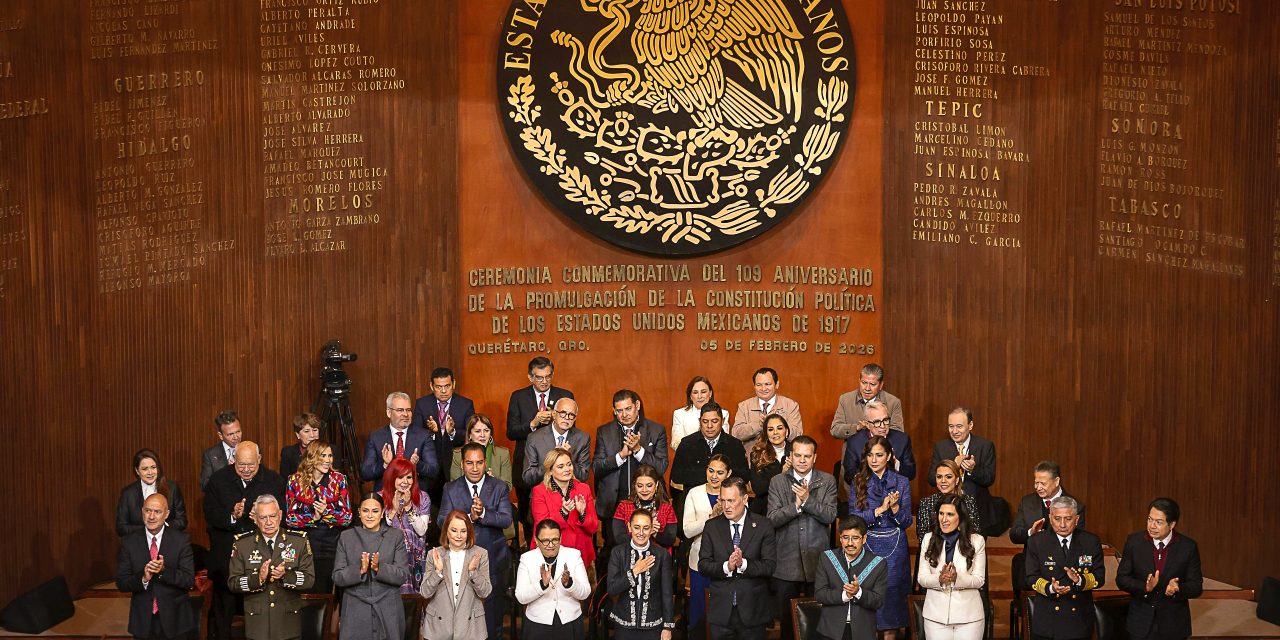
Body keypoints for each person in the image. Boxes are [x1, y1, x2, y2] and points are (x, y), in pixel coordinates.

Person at [203, 441, 287, 640]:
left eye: (251, 465)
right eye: (241, 465)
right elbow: (210, 513)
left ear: (259, 459)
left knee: (260, 607)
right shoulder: (218, 480)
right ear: (233, 461)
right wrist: (232, 515)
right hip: (227, 559)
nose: (247, 470)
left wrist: (261, 519)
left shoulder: (273, 480)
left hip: (261, 556)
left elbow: (282, 514)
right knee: (224, 610)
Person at [438, 442, 514, 639]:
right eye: (469, 463)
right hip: (458, 563)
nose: (474, 468)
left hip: (493, 562)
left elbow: (506, 519)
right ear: (462, 464)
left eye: (479, 463)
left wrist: (483, 514)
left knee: (492, 618)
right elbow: (441, 521)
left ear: (485, 462)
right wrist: (469, 517)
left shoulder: (499, 487)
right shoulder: (451, 488)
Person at [766, 435, 837, 640]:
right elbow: (772, 519)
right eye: (798, 455)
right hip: (786, 564)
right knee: (788, 625)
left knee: (818, 625)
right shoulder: (778, 481)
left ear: (815, 457)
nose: (802, 460)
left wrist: (807, 501)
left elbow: (830, 515)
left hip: (818, 563)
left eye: (807, 456)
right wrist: (796, 506)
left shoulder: (827, 481)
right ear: (791, 456)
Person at [848, 436, 912, 640]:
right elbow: (853, 519)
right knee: (867, 599)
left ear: (889, 456)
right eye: (870, 455)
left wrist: (894, 509)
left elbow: (906, 521)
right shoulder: (859, 480)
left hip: (895, 548)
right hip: (867, 546)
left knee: (891, 602)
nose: (874, 460)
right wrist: (878, 511)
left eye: (879, 455)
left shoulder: (901, 481)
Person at [698, 476, 777, 640]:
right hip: (721, 614)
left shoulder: (763, 525)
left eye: (731, 501)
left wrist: (743, 564)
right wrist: (727, 566)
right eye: (723, 500)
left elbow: (769, 566)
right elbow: (703, 565)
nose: (726, 506)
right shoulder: (712, 527)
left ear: (745, 498)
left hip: (752, 613)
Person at [228, 495, 315, 640]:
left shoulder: (298, 541)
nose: (269, 522)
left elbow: (309, 580)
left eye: (272, 516)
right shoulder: (242, 544)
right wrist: (259, 578)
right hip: (257, 626)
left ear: (280, 515)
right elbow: (233, 583)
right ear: (254, 518)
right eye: (263, 518)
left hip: (288, 626)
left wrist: (286, 575)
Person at [593, 389, 669, 556]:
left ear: (637, 406)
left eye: (628, 409)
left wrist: (638, 450)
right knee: (614, 551)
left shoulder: (656, 430)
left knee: (649, 551)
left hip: (649, 503)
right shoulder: (604, 432)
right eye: (619, 411)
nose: (624, 414)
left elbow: (661, 467)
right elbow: (597, 467)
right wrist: (620, 456)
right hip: (613, 505)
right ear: (614, 411)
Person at [1115, 498, 1203, 640]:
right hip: (1140, 623)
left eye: (1159, 522)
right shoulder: (1134, 542)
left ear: (1172, 524)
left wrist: (1178, 588)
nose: (1152, 526)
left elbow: (1196, 586)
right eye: (1150, 519)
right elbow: (1121, 579)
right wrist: (1145, 586)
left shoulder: (1188, 547)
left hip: (1173, 625)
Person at [115, 494, 197, 640]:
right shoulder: (129, 542)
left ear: (166, 514)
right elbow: (122, 582)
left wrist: (164, 571)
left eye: (157, 512)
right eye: (148, 511)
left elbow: (188, 580)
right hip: (143, 622)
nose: (151, 516)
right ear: (142, 512)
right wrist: (143, 578)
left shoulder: (181, 540)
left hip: (176, 620)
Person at [507, 356, 575, 526]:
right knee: (528, 517)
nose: (544, 381)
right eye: (539, 377)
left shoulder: (565, 396)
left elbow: (573, 428)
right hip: (529, 466)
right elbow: (511, 432)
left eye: (548, 376)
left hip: (559, 469)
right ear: (530, 377)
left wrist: (559, 421)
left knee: (559, 513)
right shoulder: (518, 397)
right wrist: (533, 423)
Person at [332, 493, 410, 640]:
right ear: (359, 513)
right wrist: (359, 570)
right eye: (365, 510)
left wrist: (378, 568)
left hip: (388, 609)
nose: (369, 515)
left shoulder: (395, 536)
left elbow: (402, 575)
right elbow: (337, 577)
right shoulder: (347, 537)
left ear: (382, 514)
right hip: (355, 610)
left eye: (375, 511)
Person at [1024, 496, 1103, 640]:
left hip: (1079, 620)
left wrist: (1080, 580)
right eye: (1057, 518)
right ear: (1050, 517)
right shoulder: (1037, 542)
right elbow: (1031, 577)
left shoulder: (1090, 542)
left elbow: (1100, 577)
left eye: (1068, 519)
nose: (1062, 524)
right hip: (1048, 621)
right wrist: (1051, 588)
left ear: (1077, 519)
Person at [284, 441, 351, 593]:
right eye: (323, 455)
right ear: (311, 457)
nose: (328, 460)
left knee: (328, 591)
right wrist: (313, 517)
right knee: (306, 590)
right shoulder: (294, 481)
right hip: (304, 544)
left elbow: (347, 517)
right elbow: (290, 518)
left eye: (330, 456)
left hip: (331, 543)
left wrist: (327, 513)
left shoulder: (339, 480)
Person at [917, 495, 987, 640]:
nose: (944, 519)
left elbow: (979, 580)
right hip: (935, 617)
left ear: (960, 517)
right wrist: (940, 578)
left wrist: (957, 578)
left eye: (950, 514)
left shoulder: (977, 541)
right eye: (941, 514)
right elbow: (922, 579)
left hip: (969, 618)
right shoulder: (928, 539)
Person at [420, 510, 492, 640]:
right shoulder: (434, 554)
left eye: (463, 531)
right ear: (446, 531)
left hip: (471, 630)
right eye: (454, 530)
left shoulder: (480, 554)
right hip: (438, 629)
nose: (458, 535)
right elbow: (425, 592)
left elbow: (485, 592)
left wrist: (473, 572)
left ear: (468, 532)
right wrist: (438, 572)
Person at [516, 519, 592, 640]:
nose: (551, 545)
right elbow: (521, 596)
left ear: (560, 538)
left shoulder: (573, 555)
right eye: (545, 541)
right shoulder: (527, 559)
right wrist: (542, 585)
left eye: (555, 540)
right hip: (538, 624)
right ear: (536, 540)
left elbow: (585, 592)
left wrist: (570, 584)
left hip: (569, 621)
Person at [813, 516, 887, 640]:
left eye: (855, 538)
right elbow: (820, 594)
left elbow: (878, 601)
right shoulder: (826, 558)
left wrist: (858, 592)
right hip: (830, 631)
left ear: (864, 539)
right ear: (840, 538)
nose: (850, 543)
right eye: (845, 538)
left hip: (863, 632)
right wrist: (844, 595)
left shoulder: (878, 563)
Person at [682, 454, 731, 639]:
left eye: (720, 472)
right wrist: (711, 518)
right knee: (698, 612)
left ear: (728, 473)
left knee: (723, 612)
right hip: (699, 562)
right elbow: (687, 530)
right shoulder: (694, 493)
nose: (714, 476)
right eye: (711, 470)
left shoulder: (733, 493)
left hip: (726, 562)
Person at [608, 509, 676, 639]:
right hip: (624, 623)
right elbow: (612, 589)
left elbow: (667, 593)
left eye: (646, 528)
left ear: (651, 529)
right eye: (636, 527)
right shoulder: (618, 553)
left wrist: (667, 627)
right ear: (629, 527)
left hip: (653, 623)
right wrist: (634, 571)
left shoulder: (662, 555)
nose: (641, 533)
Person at [411, 367, 475, 503]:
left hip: (455, 465)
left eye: (447, 386)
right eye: (439, 387)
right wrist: (432, 433)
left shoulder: (466, 404)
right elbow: (415, 435)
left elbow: (470, 434)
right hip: (430, 467)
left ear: (454, 384)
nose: (444, 391)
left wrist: (452, 432)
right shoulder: (422, 404)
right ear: (431, 386)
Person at [926, 407, 995, 531]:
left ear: (970, 425)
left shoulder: (985, 446)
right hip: (948, 510)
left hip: (978, 510)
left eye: (959, 426)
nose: (954, 431)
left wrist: (973, 470)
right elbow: (931, 478)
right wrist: (953, 466)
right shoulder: (941, 447)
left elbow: (989, 478)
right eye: (951, 426)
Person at [531, 448, 600, 568]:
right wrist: (563, 512)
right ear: (550, 470)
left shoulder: (583, 488)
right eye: (561, 466)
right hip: (551, 553)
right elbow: (542, 527)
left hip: (581, 552)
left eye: (569, 464)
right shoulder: (540, 491)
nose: (567, 469)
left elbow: (593, 527)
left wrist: (582, 513)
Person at [362, 391, 437, 492]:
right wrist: (384, 464)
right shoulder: (376, 437)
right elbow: (366, 473)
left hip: (414, 495)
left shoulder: (423, 436)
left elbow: (434, 470)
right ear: (389, 412)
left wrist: (417, 465)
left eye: (408, 410)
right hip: (384, 495)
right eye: (400, 410)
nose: (405, 414)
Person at [381, 457, 432, 594]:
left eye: (409, 477)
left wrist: (409, 507)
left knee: (413, 606)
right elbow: (378, 533)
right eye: (400, 477)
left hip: (415, 560)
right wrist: (392, 512)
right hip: (389, 560)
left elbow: (421, 531)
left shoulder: (423, 498)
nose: (405, 482)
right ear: (392, 478)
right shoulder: (380, 498)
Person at [671, 403, 749, 491]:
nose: (709, 426)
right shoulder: (687, 443)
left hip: (726, 497)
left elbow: (744, 476)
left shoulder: (735, 444)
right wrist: (709, 475)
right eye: (705, 421)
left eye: (714, 421)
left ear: (722, 421)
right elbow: (676, 476)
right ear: (699, 421)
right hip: (694, 497)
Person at [1010, 461, 1086, 545]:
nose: (1038, 488)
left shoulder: (1076, 506)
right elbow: (1014, 535)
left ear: (1056, 481)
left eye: (1043, 483)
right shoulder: (1027, 502)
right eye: (1036, 483)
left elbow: (1078, 541)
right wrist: (1031, 532)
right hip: (1034, 555)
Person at [117, 448, 188, 537]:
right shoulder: (128, 493)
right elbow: (121, 527)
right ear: (137, 471)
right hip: (139, 544)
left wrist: (162, 528)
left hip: (168, 541)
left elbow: (182, 521)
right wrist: (147, 530)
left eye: (153, 467)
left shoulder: (172, 488)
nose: (150, 472)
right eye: (145, 469)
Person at [522, 397, 591, 487]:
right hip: (543, 495)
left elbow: (583, 475)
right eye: (563, 413)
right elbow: (528, 477)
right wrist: (551, 462)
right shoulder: (534, 438)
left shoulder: (583, 438)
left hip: (571, 495)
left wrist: (568, 458)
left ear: (575, 419)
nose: (566, 418)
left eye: (571, 415)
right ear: (554, 414)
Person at [842, 400, 916, 482]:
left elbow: (911, 473)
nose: (883, 426)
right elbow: (848, 475)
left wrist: (895, 463)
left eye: (885, 420)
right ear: (867, 424)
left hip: (895, 492)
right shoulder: (854, 442)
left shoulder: (902, 440)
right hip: (865, 491)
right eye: (877, 422)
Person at [611, 465, 678, 553]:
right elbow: (619, 538)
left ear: (656, 485)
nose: (644, 490)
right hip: (629, 556)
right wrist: (645, 530)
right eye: (640, 486)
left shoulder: (666, 508)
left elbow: (670, 540)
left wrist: (655, 533)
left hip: (660, 558)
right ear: (634, 485)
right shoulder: (623, 506)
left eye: (649, 485)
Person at [731, 367, 803, 448]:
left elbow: (798, 435)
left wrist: (778, 425)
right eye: (759, 385)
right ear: (754, 386)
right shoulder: (744, 406)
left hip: (782, 458)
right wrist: (759, 425)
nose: (763, 388)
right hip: (750, 458)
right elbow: (735, 434)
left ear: (777, 384)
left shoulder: (790, 405)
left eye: (767, 384)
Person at [829, 363, 905, 437]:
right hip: (854, 449)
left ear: (881, 385)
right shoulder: (845, 400)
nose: (867, 388)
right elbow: (835, 430)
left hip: (882, 448)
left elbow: (898, 433)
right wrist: (857, 427)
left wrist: (876, 429)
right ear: (859, 381)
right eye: (864, 383)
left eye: (872, 384)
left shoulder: (893, 402)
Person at [916, 459, 982, 543]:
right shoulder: (926, 503)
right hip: (935, 552)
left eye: (948, 477)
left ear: (957, 480)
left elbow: (974, 534)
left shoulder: (968, 501)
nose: (943, 481)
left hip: (963, 551)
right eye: (939, 477)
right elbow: (923, 537)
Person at [449, 413, 513, 489]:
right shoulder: (458, 455)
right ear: (470, 434)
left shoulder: (502, 454)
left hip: (494, 499)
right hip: (466, 499)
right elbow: (454, 487)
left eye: (486, 430)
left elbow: (508, 486)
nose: (482, 435)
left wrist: (493, 482)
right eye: (477, 431)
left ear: (490, 434)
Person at [747, 413, 791, 515]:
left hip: (791, 505)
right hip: (765, 507)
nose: (775, 433)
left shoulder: (797, 452)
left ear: (787, 431)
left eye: (779, 428)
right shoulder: (757, 454)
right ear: (766, 434)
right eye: (770, 429)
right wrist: (781, 473)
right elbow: (758, 488)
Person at [671, 376, 728, 451]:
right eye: (695, 392)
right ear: (690, 396)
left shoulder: (723, 413)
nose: (699, 396)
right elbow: (676, 443)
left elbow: (724, 442)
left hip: (716, 458)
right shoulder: (679, 414)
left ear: (710, 394)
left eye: (703, 392)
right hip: (688, 457)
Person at [200, 411, 242, 490]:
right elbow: (205, 485)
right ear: (220, 435)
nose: (236, 437)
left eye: (238, 432)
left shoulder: (251, 450)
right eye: (230, 434)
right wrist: (227, 471)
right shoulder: (210, 455)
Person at [279, 413, 321, 479]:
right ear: (298, 435)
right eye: (307, 431)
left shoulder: (331, 450)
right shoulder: (288, 453)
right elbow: (284, 482)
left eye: (315, 430)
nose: (312, 435)